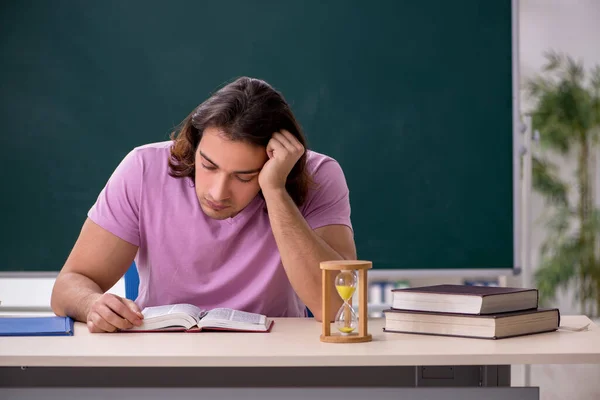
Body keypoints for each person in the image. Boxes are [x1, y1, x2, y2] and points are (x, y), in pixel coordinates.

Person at [51, 77, 356, 333]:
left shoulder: (317, 176)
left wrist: (275, 190)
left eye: (244, 176)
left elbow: (334, 307)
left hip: (274, 358)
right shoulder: (143, 168)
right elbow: (68, 286)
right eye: (208, 166)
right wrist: (92, 304)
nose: (218, 192)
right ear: (193, 145)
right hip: (162, 359)